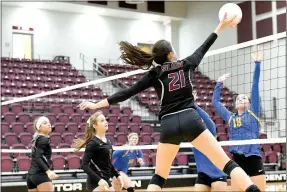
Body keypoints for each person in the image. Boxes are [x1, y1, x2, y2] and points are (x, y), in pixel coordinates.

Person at [78, 13, 261, 192]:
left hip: (169, 124)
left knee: (159, 176)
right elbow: (206, 44)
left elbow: (126, 93)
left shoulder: (155, 73)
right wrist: (221, 25)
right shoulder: (187, 62)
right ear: (172, 54)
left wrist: (95, 105)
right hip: (191, 119)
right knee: (227, 164)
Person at [212, 50, 266, 191]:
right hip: (237, 160)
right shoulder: (230, 118)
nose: (241, 99)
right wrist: (219, 83)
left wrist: (258, 63)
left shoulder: (253, 113)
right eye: (238, 98)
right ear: (235, 104)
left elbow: (255, 85)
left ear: (249, 103)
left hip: (254, 157)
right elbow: (215, 102)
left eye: (244, 98)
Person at [72, 111, 123, 192]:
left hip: (106, 181)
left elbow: (108, 162)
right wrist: (99, 180)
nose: (105, 122)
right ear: (95, 125)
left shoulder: (108, 141)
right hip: (95, 183)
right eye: (102, 120)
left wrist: (117, 175)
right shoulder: (93, 143)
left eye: (105, 120)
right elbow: (84, 165)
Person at [192, 91, 227, 191]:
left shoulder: (211, 133)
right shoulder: (192, 135)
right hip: (202, 175)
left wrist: (193, 104)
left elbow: (209, 122)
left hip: (218, 173)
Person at [26, 116, 58, 192]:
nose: (49, 124)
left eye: (49, 122)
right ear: (39, 127)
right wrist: (48, 171)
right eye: (45, 123)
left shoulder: (36, 138)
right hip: (40, 175)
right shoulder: (43, 139)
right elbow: (38, 157)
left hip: (31, 175)